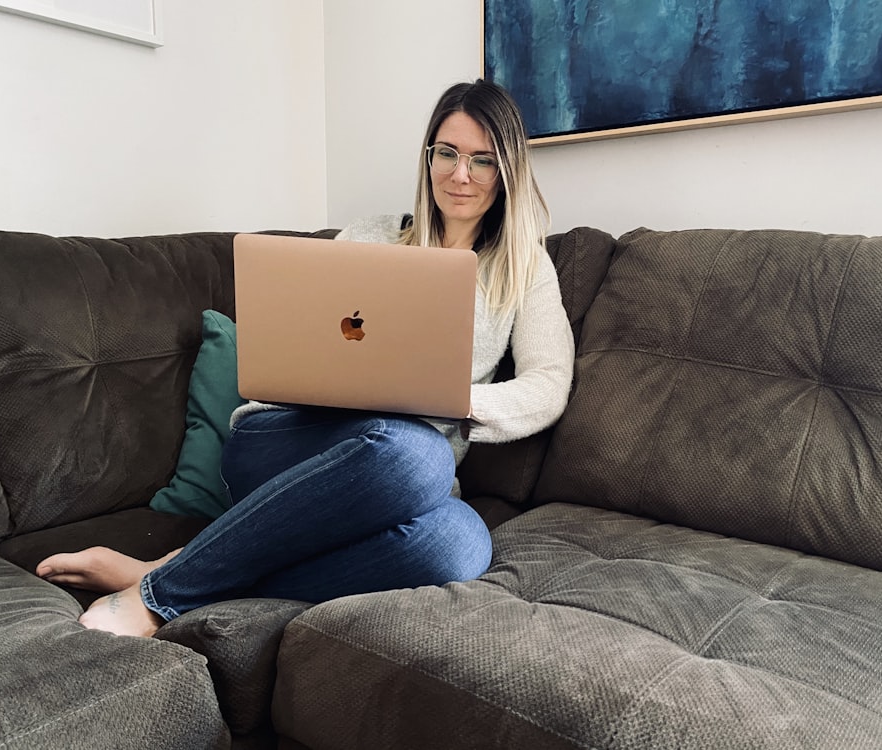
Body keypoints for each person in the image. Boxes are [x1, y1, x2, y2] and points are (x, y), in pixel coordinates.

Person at [34, 79, 575, 637]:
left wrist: (450, 399)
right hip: (286, 443)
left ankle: (173, 567)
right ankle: (157, 598)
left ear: (507, 170)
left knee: (459, 545)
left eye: (482, 161)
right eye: (447, 153)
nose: (460, 175)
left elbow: (550, 383)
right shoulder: (370, 237)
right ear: (428, 157)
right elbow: (295, 344)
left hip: (396, 480)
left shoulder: (525, 268)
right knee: (421, 455)